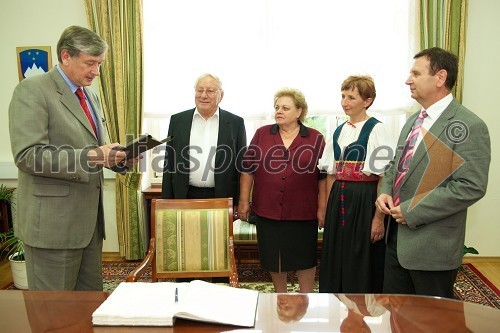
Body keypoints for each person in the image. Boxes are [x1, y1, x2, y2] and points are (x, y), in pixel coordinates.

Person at [8, 26, 138, 291]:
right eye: (90, 63)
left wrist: (118, 158)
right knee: (53, 315)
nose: (96, 72)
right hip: (53, 229)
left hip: (89, 227)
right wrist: (93, 155)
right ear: (66, 56)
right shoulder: (32, 91)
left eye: (99, 64)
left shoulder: (90, 96)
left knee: (87, 309)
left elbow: (93, 149)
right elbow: (28, 156)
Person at [375, 47, 491, 298]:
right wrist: (385, 192)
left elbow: (470, 186)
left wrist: (412, 209)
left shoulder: (470, 125)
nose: (408, 80)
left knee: (432, 322)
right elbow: (397, 163)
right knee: (396, 317)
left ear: (439, 78)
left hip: (432, 248)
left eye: (415, 74)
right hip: (396, 242)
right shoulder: (413, 120)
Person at [238, 88, 326, 293]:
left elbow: (323, 178)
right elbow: (248, 169)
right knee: (273, 257)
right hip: (267, 210)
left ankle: (305, 296)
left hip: (303, 211)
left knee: (305, 256)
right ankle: (281, 295)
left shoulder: (315, 138)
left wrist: (323, 208)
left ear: (299, 112)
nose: (279, 111)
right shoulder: (262, 134)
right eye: (277, 107)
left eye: (285, 108)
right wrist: (244, 201)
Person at [318, 75, 394, 293]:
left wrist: (378, 219)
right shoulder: (340, 130)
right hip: (339, 199)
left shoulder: (376, 129)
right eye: (343, 96)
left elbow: (383, 176)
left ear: (367, 101)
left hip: (365, 199)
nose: (344, 102)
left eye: (351, 97)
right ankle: (336, 303)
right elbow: (332, 173)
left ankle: (362, 308)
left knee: (361, 253)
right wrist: (329, 209)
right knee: (337, 253)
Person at [161, 73, 246, 201]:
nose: (203, 95)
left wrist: (240, 201)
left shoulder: (236, 123)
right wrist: (166, 200)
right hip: (184, 195)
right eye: (199, 90)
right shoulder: (177, 120)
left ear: (221, 96)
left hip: (223, 197)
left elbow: (242, 166)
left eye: (210, 91)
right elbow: (169, 163)